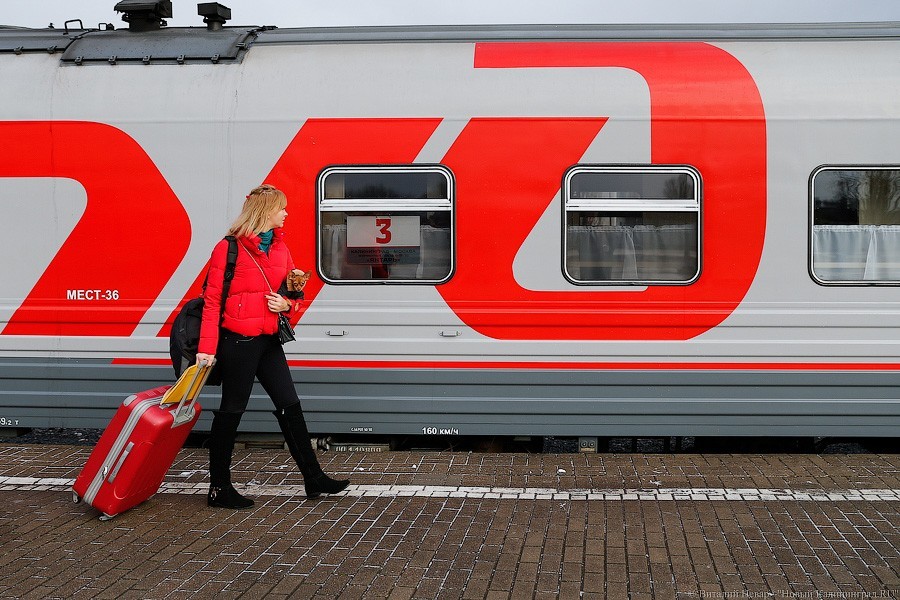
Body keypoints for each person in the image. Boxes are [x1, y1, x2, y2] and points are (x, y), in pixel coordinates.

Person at [196, 184, 349, 509]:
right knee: (231, 411)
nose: (286, 213)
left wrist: (288, 306)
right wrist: (206, 348)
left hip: (269, 341)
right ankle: (219, 488)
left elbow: (295, 295)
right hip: (237, 342)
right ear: (265, 211)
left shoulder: (281, 250)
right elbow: (211, 302)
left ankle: (313, 477)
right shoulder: (228, 249)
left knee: (290, 405)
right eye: (282, 208)